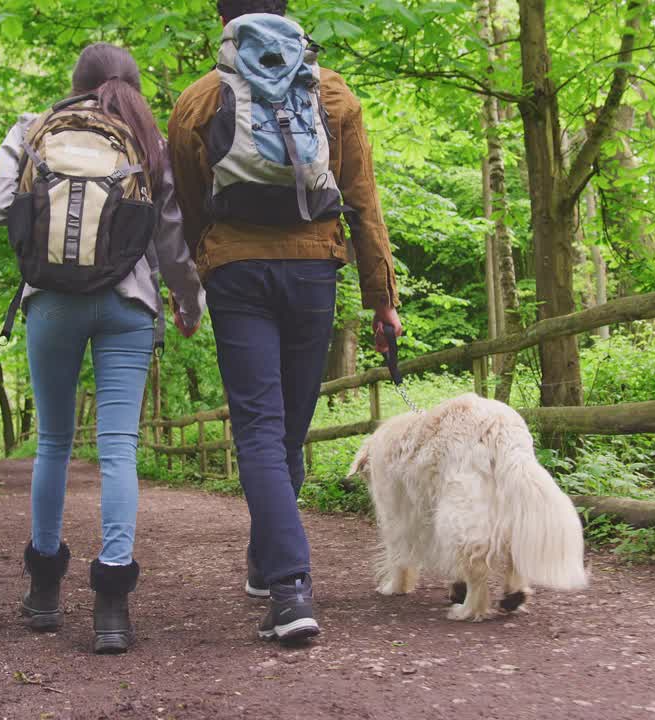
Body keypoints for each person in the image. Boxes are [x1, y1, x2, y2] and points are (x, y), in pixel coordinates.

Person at [168, 0, 402, 643]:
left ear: (225, 21)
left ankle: (287, 585)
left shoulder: (199, 98)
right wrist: (382, 296)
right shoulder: (329, 91)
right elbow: (363, 201)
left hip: (236, 271)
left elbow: (187, 209)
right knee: (288, 428)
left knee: (263, 431)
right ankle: (280, 571)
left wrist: (190, 286)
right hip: (313, 270)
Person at [0, 43, 205, 654]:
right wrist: (189, 301)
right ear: (130, 85)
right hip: (128, 304)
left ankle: (45, 593)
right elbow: (172, 236)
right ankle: (111, 608)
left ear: (74, 82)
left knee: (52, 443)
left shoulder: (33, 129)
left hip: (50, 299)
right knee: (118, 448)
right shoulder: (145, 142)